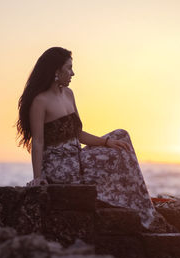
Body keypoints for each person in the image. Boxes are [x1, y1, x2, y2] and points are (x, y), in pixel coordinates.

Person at [15, 47, 167, 230]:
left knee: (121, 136)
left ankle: (140, 202)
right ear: (56, 71)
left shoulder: (69, 95)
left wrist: (107, 142)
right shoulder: (40, 101)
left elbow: (78, 134)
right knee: (115, 154)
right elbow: (38, 141)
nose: (73, 73)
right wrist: (38, 177)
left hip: (77, 157)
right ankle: (142, 210)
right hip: (60, 166)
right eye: (69, 68)